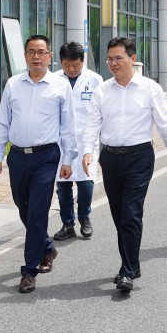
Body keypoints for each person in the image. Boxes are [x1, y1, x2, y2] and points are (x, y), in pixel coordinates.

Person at [82, 37, 167, 292]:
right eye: (109, 59)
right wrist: (87, 152)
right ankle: (133, 263)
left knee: (131, 213)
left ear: (132, 58)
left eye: (118, 58)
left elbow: (165, 126)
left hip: (139, 158)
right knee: (119, 215)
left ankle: (127, 271)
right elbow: (92, 124)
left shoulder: (150, 88)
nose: (113, 63)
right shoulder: (102, 90)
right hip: (110, 158)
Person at [0, 35, 77, 294]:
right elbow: (3, 121)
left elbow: (68, 126)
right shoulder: (13, 84)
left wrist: (68, 159)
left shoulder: (60, 86)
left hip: (46, 156)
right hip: (17, 156)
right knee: (24, 209)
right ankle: (47, 247)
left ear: (49, 56)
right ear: (25, 56)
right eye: (31, 52)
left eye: (41, 52)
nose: (36, 56)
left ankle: (29, 271)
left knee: (38, 211)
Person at [53, 42, 103, 241]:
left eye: (75, 65)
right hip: (61, 141)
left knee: (86, 183)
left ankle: (84, 216)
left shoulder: (95, 80)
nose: (71, 69)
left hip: (86, 141)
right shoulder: (54, 80)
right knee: (63, 186)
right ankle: (68, 224)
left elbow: (101, 112)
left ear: (83, 61)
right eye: (67, 65)